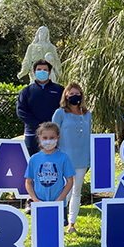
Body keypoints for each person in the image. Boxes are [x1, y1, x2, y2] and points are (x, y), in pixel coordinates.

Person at [25, 122, 76, 247]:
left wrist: (60, 199)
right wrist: (35, 199)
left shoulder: (63, 158)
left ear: (58, 138)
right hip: (40, 206)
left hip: (57, 206)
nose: (48, 140)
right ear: (39, 139)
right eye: (45, 138)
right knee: (39, 238)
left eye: (52, 138)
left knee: (56, 238)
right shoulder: (35, 159)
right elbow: (28, 182)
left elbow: (69, 181)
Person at [17, 59, 64, 213]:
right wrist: (39, 126)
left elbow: (65, 109)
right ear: (34, 72)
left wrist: (52, 129)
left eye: (45, 69)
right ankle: (31, 200)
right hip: (32, 134)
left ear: (50, 72)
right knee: (34, 167)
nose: (41, 71)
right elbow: (21, 111)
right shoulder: (27, 91)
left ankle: (58, 200)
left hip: (54, 136)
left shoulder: (59, 90)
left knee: (55, 167)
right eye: (39, 69)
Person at [52, 83, 91, 234]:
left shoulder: (88, 114)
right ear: (66, 96)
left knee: (77, 191)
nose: (75, 95)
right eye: (71, 93)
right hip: (64, 159)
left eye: (78, 93)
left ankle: (71, 224)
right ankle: (57, 220)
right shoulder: (60, 113)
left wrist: (90, 159)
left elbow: (89, 136)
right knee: (64, 191)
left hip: (82, 159)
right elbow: (53, 134)